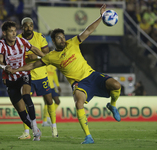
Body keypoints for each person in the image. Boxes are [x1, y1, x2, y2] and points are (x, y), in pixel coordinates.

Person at [7, 4, 121, 144]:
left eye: (63, 37)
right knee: (79, 103)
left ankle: (113, 105)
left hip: (92, 75)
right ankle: (88, 136)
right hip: (79, 84)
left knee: (116, 85)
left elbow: (89, 30)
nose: (63, 40)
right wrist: (15, 70)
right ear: (54, 41)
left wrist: (101, 16)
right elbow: (32, 65)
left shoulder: (73, 42)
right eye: (59, 38)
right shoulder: (51, 56)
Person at [0, 21, 45, 141]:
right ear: (4, 33)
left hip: (23, 75)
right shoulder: (0, 45)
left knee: (26, 95)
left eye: (15, 30)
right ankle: (35, 131)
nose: (14, 33)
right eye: (11, 31)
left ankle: (35, 125)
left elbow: (34, 49)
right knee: (22, 113)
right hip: (10, 80)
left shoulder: (21, 41)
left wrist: (45, 57)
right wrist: (4, 67)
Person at [17, 17, 58, 140]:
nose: (29, 27)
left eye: (31, 25)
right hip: (26, 75)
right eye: (26, 25)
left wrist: (35, 56)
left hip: (41, 75)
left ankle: (54, 126)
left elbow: (46, 54)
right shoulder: (18, 39)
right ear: (22, 26)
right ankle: (26, 132)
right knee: (24, 102)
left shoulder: (40, 37)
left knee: (49, 100)